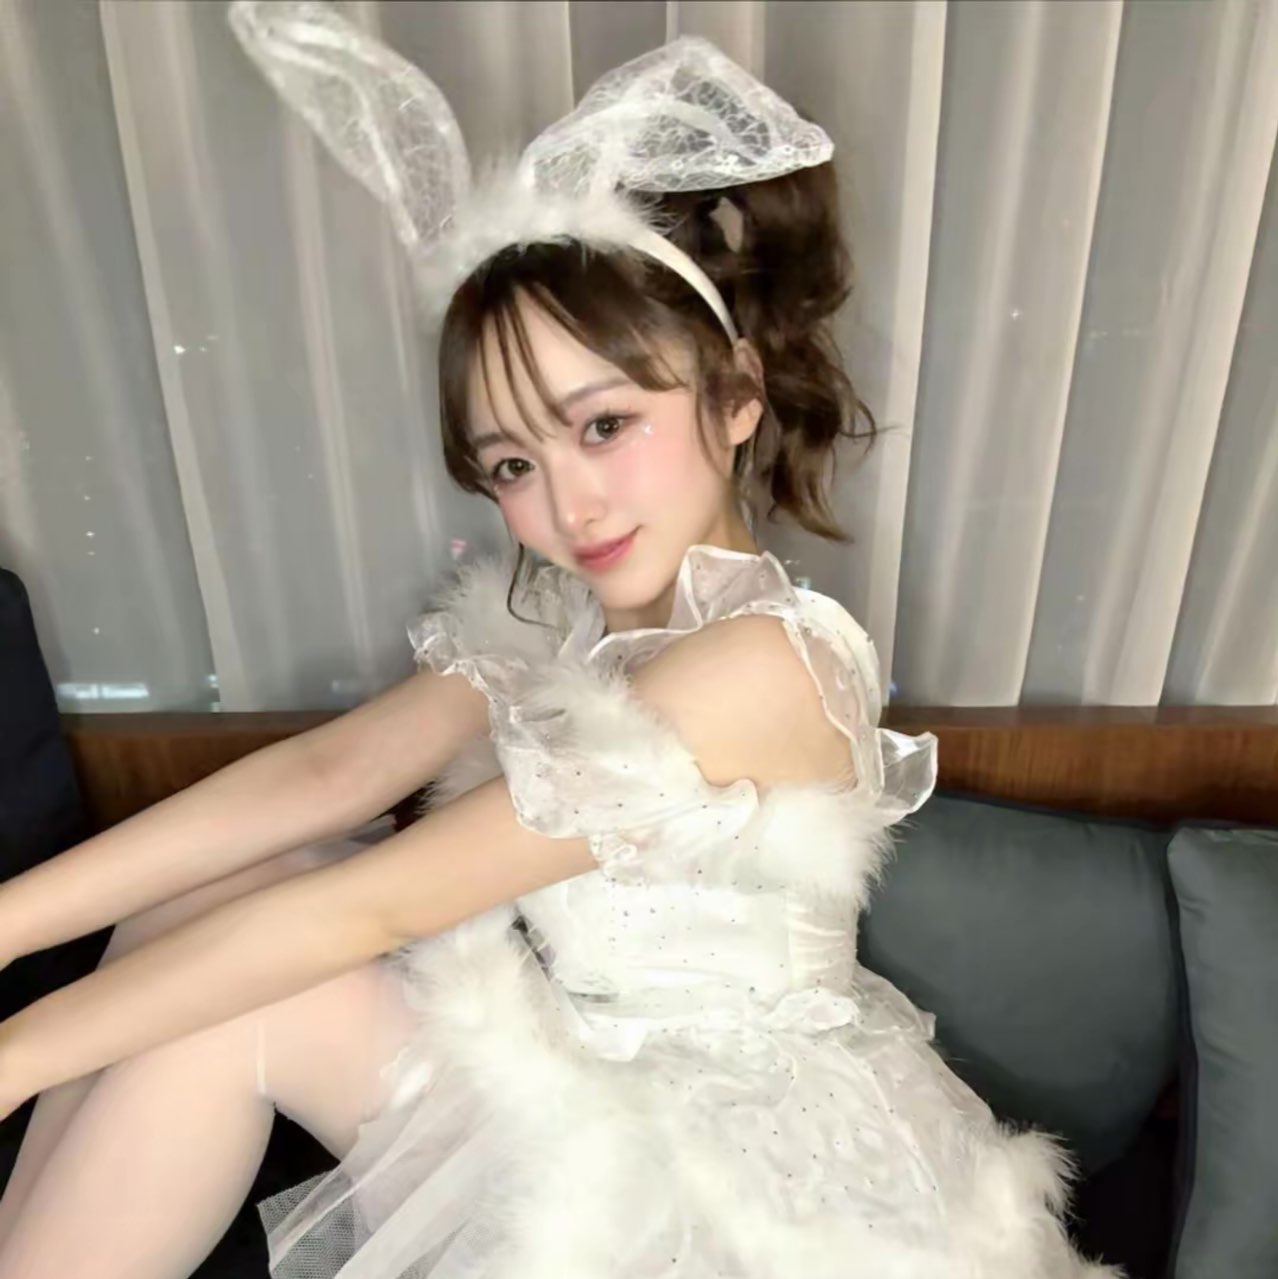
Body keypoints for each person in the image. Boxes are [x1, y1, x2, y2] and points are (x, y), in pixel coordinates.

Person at [0, 6, 1116, 1277]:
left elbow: (377, 901)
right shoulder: (559, 618)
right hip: (584, 1067)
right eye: (514, 463)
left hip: (715, 1174)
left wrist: (15, 1052)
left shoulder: (767, 661)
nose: (569, 505)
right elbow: (329, 775)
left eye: (604, 426)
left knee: (263, 991)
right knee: (206, 899)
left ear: (737, 397)